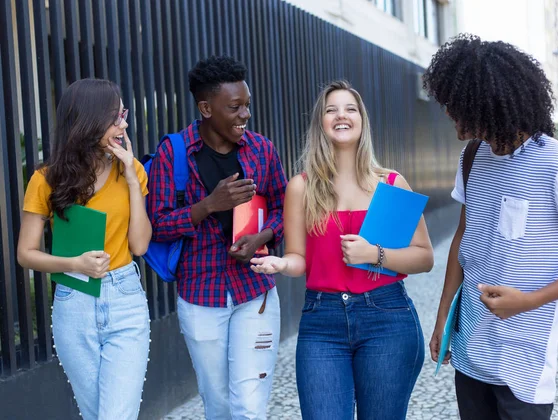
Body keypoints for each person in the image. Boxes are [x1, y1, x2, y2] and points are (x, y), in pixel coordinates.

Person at [424, 34, 558, 420]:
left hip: (527, 360)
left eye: (455, 102)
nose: (449, 112)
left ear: (483, 101)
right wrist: (442, 318)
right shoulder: (472, 157)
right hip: (472, 349)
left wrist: (532, 300)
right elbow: (462, 239)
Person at [250, 80, 433, 420]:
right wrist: (280, 263)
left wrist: (374, 255)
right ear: (321, 122)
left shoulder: (390, 184)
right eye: (331, 110)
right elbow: (299, 260)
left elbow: (424, 256)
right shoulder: (301, 187)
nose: (341, 115)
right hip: (323, 322)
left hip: (387, 319)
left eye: (350, 108)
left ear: (361, 120)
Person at [147, 55, 287, 420]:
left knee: (250, 404)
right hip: (200, 296)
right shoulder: (173, 153)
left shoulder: (261, 149)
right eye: (235, 107)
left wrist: (263, 236)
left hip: (255, 291)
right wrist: (208, 205)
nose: (245, 115)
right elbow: (157, 225)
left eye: (248, 106)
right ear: (206, 108)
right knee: (219, 403)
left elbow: (284, 205)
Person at [17, 78, 152, 419]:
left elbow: (139, 245)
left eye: (123, 114)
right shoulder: (46, 178)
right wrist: (74, 263)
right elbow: (26, 253)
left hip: (125, 299)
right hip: (73, 303)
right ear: (88, 122)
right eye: (115, 117)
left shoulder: (131, 170)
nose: (123, 124)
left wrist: (133, 180)